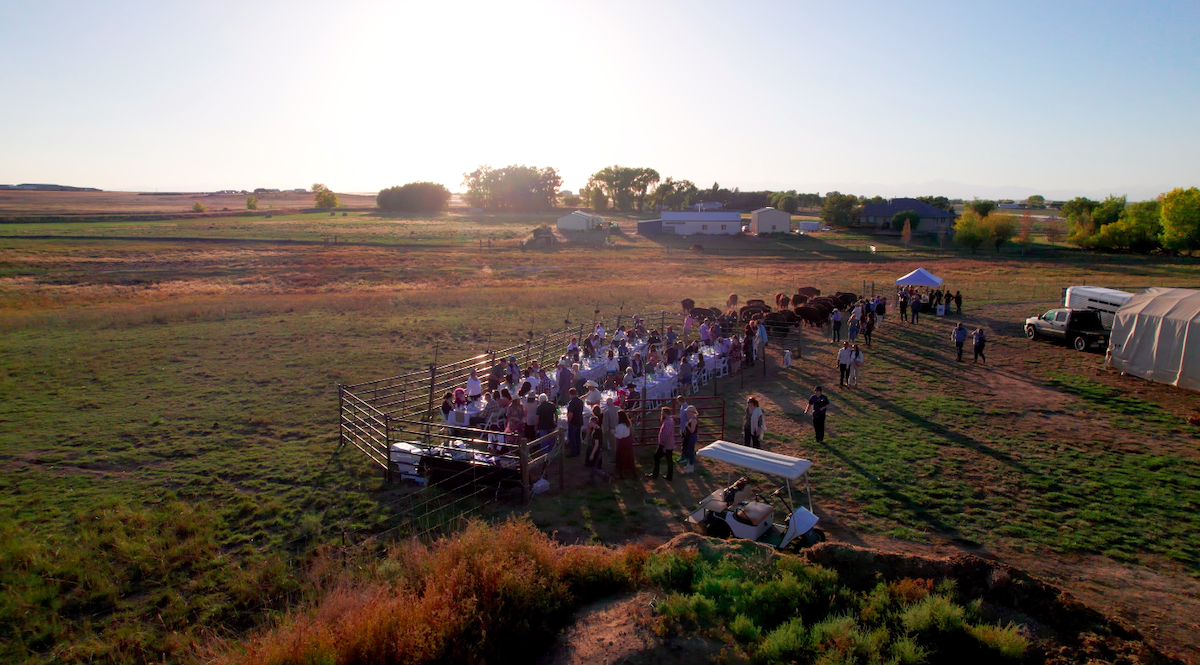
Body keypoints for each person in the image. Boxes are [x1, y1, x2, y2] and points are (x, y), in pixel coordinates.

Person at [646, 406, 676, 480]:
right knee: (668, 459)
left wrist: (664, 446)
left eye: (662, 412)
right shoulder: (670, 420)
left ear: (665, 413)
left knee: (657, 457)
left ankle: (655, 474)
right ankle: (669, 476)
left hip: (665, 444)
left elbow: (666, 435)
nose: (661, 414)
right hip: (668, 444)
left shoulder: (668, 422)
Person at [583, 415, 611, 482]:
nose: (589, 423)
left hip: (596, 451)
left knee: (594, 467)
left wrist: (592, 454)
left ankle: (606, 477)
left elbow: (596, 444)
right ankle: (591, 479)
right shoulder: (596, 429)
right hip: (597, 450)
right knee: (592, 466)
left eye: (590, 422)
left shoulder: (596, 432)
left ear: (593, 422)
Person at [614, 410, 636, 479]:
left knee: (621, 457)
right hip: (628, 442)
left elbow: (619, 436)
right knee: (629, 457)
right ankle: (632, 471)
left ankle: (621, 473)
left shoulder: (620, 426)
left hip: (622, 443)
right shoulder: (628, 424)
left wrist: (614, 433)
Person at [680, 405, 699, 474]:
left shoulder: (693, 420)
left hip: (691, 436)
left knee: (691, 451)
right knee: (689, 450)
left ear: (690, 412)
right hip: (690, 436)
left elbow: (692, 430)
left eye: (688, 411)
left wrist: (687, 425)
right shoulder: (692, 418)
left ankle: (691, 467)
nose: (687, 413)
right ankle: (689, 465)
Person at [566, 388, 584, 456]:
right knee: (578, 437)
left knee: (572, 437)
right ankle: (578, 450)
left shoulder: (572, 402)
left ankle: (573, 451)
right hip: (579, 420)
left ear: (570, 394)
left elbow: (571, 414)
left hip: (573, 421)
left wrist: (568, 421)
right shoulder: (580, 401)